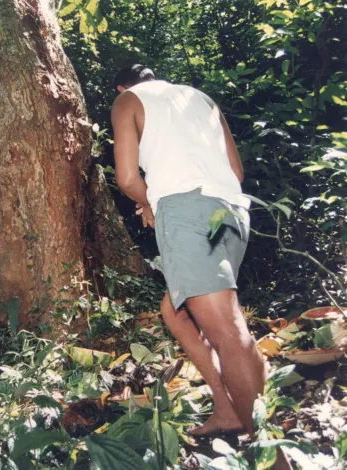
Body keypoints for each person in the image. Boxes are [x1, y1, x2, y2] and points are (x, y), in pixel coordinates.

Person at [110, 64, 288, 463]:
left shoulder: (127, 101)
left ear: (124, 86)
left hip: (186, 210)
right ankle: (227, 410)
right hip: (228, 212)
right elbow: (236, 171)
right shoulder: (200, 98)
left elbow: (125, 177)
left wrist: (149, 201)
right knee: (174, 313)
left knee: (228, 331)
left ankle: (272, 457)